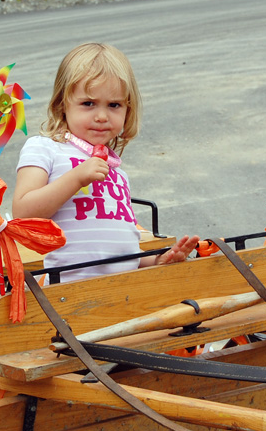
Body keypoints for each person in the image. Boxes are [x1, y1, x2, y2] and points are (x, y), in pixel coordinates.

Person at [13, 42, 199, 282]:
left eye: (114, 105)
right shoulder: (45, 148)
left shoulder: (118, 174)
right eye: (88, 103)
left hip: (124, 290)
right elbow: (24, 214)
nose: (101, 116)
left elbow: (123, 250)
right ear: (62, 105)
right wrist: (76, 177)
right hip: (67, 292)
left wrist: (155, 261)